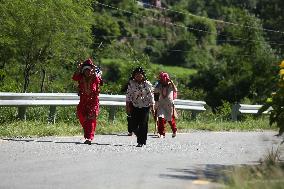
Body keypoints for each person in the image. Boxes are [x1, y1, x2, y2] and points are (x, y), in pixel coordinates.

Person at [72, 58, 102, 145]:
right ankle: (88, 133)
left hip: (93, 103)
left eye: (89, 70)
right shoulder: (80, 77)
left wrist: (95, 72)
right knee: (81, 116)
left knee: (90, 119)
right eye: (86, 70)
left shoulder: (95, 77)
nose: (87, 72)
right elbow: (74, 77)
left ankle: (89, 137)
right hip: (83, 102)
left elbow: (99, 80)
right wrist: (79, 67)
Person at [126, 67, 155, 147]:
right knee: (133, 125)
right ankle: (140, 136)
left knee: (143, 124)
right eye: (136, 75)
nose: (138, 76)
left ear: (143, 75)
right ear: (134, 76)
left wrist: (152, 105)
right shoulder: (131, 83)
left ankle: (141, 141)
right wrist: (127, 105)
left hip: (145, 106)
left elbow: (151, 95)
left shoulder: (147, 84)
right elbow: (128, 95)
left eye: (140, 75)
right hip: (135, 105)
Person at [154, 72, 178, 138]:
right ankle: (162, 133)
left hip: (169, 105)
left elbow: (175, 90)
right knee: (160, 118)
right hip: (161, 104)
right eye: (162, 80)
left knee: (170, 119)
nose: (163, 81)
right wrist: (155, 103)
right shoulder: (159, 85)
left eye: (164, 80)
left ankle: (174, 130)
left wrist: (172, 82)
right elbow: (155, 93)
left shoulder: (170, 85)